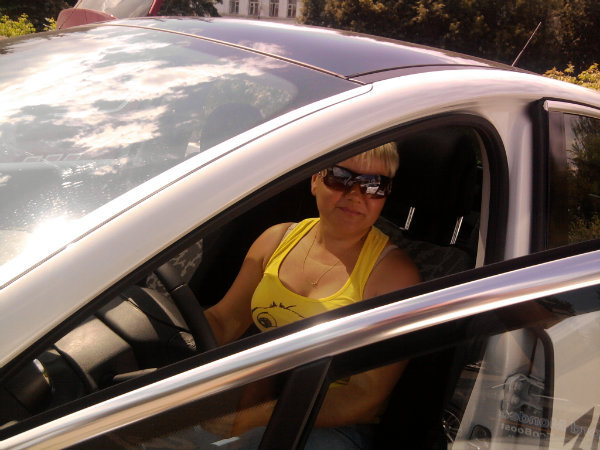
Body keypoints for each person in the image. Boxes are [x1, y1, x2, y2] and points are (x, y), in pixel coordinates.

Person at [203, 142, 421, 449]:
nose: (356, 195)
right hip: (259, 397)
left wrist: (257, 417)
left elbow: (364, 396)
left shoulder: (393, 276)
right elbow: (224, 321)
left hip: (332, 424)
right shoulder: (276, 240)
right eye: (341, 178)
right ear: (315, 180)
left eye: (374, 185)